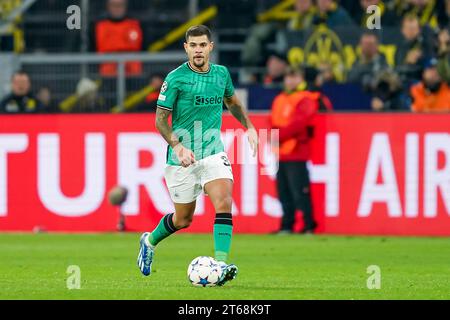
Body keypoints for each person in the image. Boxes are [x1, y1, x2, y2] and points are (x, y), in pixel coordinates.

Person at [137, 25, 258, 286]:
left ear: (210, 47)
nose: (198, 50)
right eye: (193, 45)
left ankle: (221, 264)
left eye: (203, 45)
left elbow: (233, 103)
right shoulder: (176, 78)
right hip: (181, 158)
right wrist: (178, 146)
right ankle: (149, 241)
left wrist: (249, 127)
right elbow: (160, 120)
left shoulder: (221, 74)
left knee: (224, 201)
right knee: (183, 219)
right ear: (186, 48)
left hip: (212, 152)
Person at [270, 67, 323, 235]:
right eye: (289, 76)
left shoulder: (306, 98)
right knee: (284, 191)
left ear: (302, 79)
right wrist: (275, 134)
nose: (291, 81)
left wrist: (278, 134)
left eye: (295, 77)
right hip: (281, 152)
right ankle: (287, 225)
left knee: (299, 191)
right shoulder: (280, 99)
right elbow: (272, 121)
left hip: (297, 152)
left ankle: (308, 225)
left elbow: (299, 124)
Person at [94, 0, 143, 77]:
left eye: (120, 5)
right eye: (113, 5)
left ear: (126, 6)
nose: (117, 8)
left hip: (133, 75)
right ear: (108, 6)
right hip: (107, 75)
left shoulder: (136, 24)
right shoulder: (98, 26)